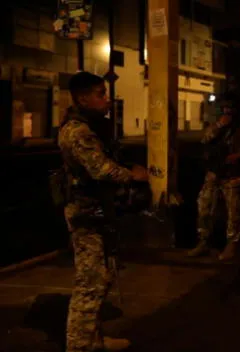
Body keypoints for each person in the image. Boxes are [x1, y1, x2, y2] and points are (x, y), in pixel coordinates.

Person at [58, 72, 149, 352]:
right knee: (90, 285)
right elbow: (101, 169)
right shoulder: (78, 131)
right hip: (86, 215)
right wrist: (132, 175)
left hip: (97, 212)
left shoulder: (91, 126)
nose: (106, 99)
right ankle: (79, 346)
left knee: (103, 278)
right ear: (83, 98)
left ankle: (93, 339)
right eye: (100, 94)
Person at [188, 92, 240, 261]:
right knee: (204, 206)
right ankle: (203, 241)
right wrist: (219, 125)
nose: (227, 113)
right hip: (214, 173)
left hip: (233, 176)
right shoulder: (216, 126)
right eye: (224, 109)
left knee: (234, 213)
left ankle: (231, 245)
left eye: (230, 110)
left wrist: (238, 156)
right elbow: (204, 139)